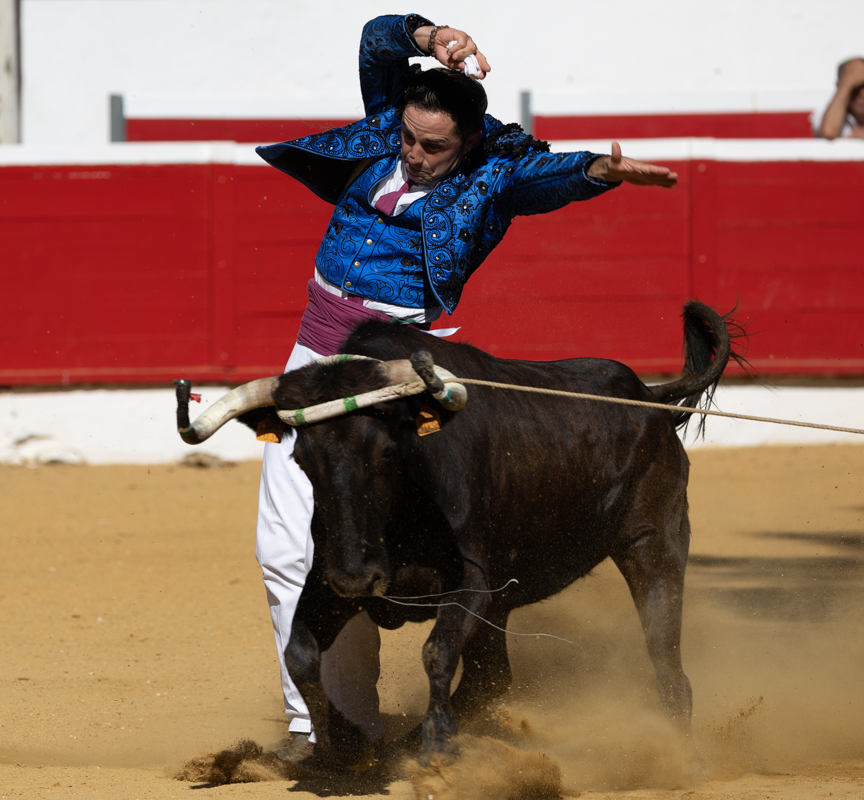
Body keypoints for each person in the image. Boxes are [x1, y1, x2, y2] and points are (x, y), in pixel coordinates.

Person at [251, 13, 677, 762]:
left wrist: (600, 174)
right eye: (410, 138)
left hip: (397, 372)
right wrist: (430, 34)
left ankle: (400, 701)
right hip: (314, 361)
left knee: (372, 540)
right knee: (286, 549)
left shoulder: (492, 176)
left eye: (433, 147)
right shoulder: (388, 129)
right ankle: (326, 727)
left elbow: (550, 175)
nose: (413, 155)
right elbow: (376, 37)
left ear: (469, 144)